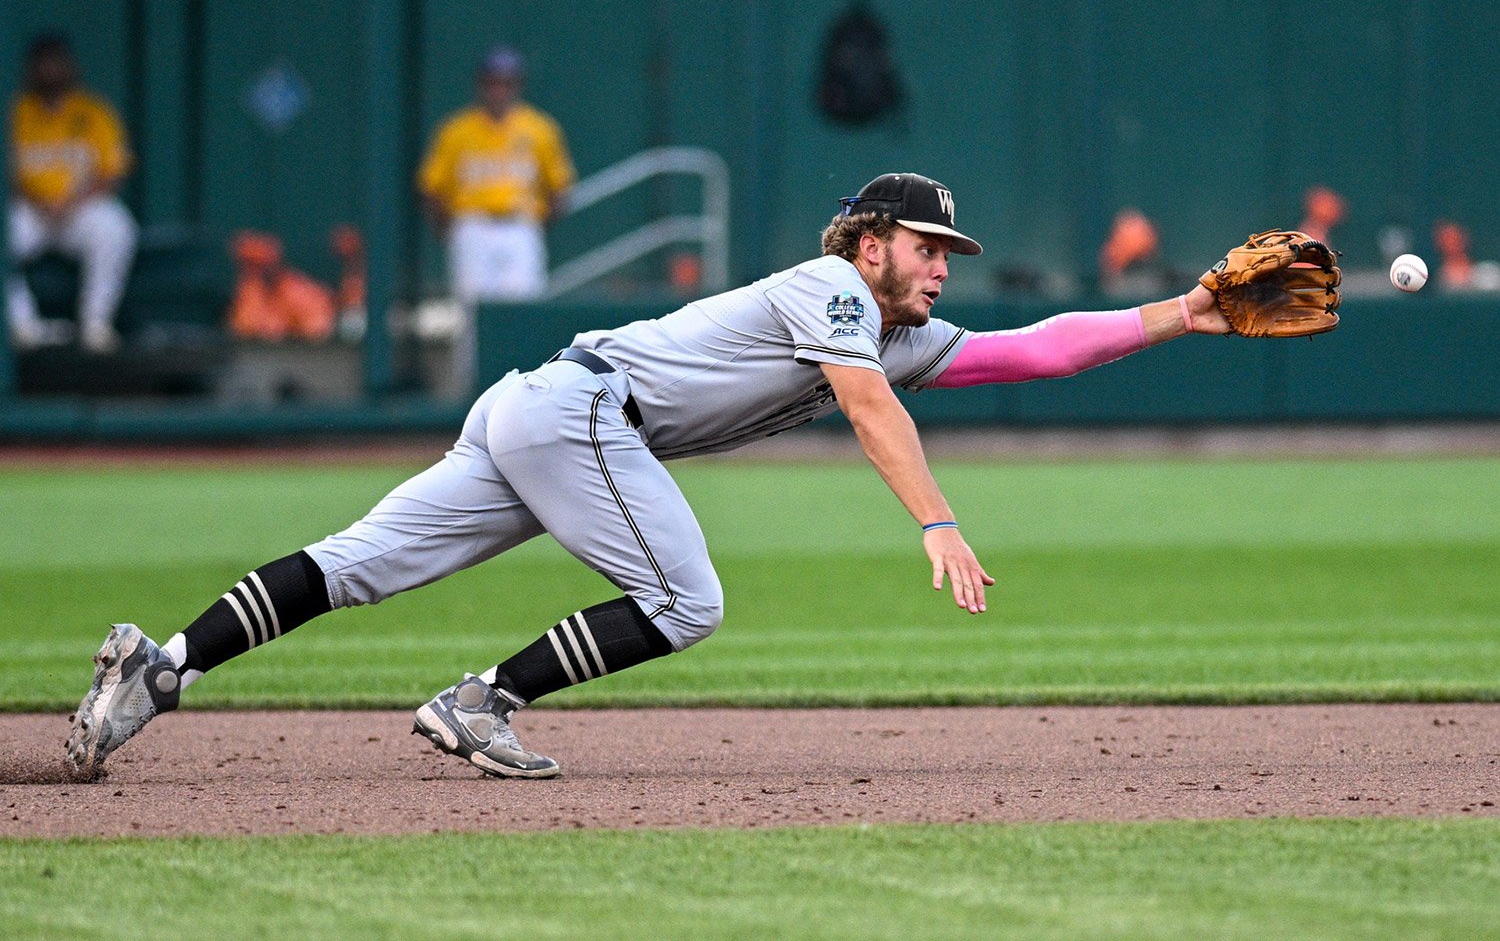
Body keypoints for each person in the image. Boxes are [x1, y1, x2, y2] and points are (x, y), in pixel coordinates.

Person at [66, 172, 1236, 780]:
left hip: (542, 410)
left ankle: (158, 669)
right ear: (872, 240)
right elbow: (868, 408)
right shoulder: (831, 290)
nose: (941, 267)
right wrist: (935, 518)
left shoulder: (901, 332)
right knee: (688, 599)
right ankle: (478, 702)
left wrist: (1187, 311)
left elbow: (1042, 346)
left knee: (354, 566)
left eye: (948, 254)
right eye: (928, 247)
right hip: (580, 417)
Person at [418, 46, 576, 391]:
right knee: (470, 313)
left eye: (506, 82)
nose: (498, 90)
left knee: (525, 308)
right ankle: (471, 393)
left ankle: (530, 391)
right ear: (481, 85)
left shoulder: (539, 128)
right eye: (492, 82)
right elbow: (431, 188)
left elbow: (560, 189)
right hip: (472, 225)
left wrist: (535, 225)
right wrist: (448, 229)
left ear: (517, 85)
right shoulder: (456, 130)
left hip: (520, 225)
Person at [7, 33, 138, 353]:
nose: (50, 71)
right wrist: (40, 201)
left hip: (80, 209)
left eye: (57, 63)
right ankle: (22, 327)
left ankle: (96, 325)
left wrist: (71, 202)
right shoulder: (16, 113)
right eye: (43, 64)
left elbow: (113, 170)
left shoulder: (93, 112)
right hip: (30, 209)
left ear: (70, 67)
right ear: (31, 70)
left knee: (116, 226)